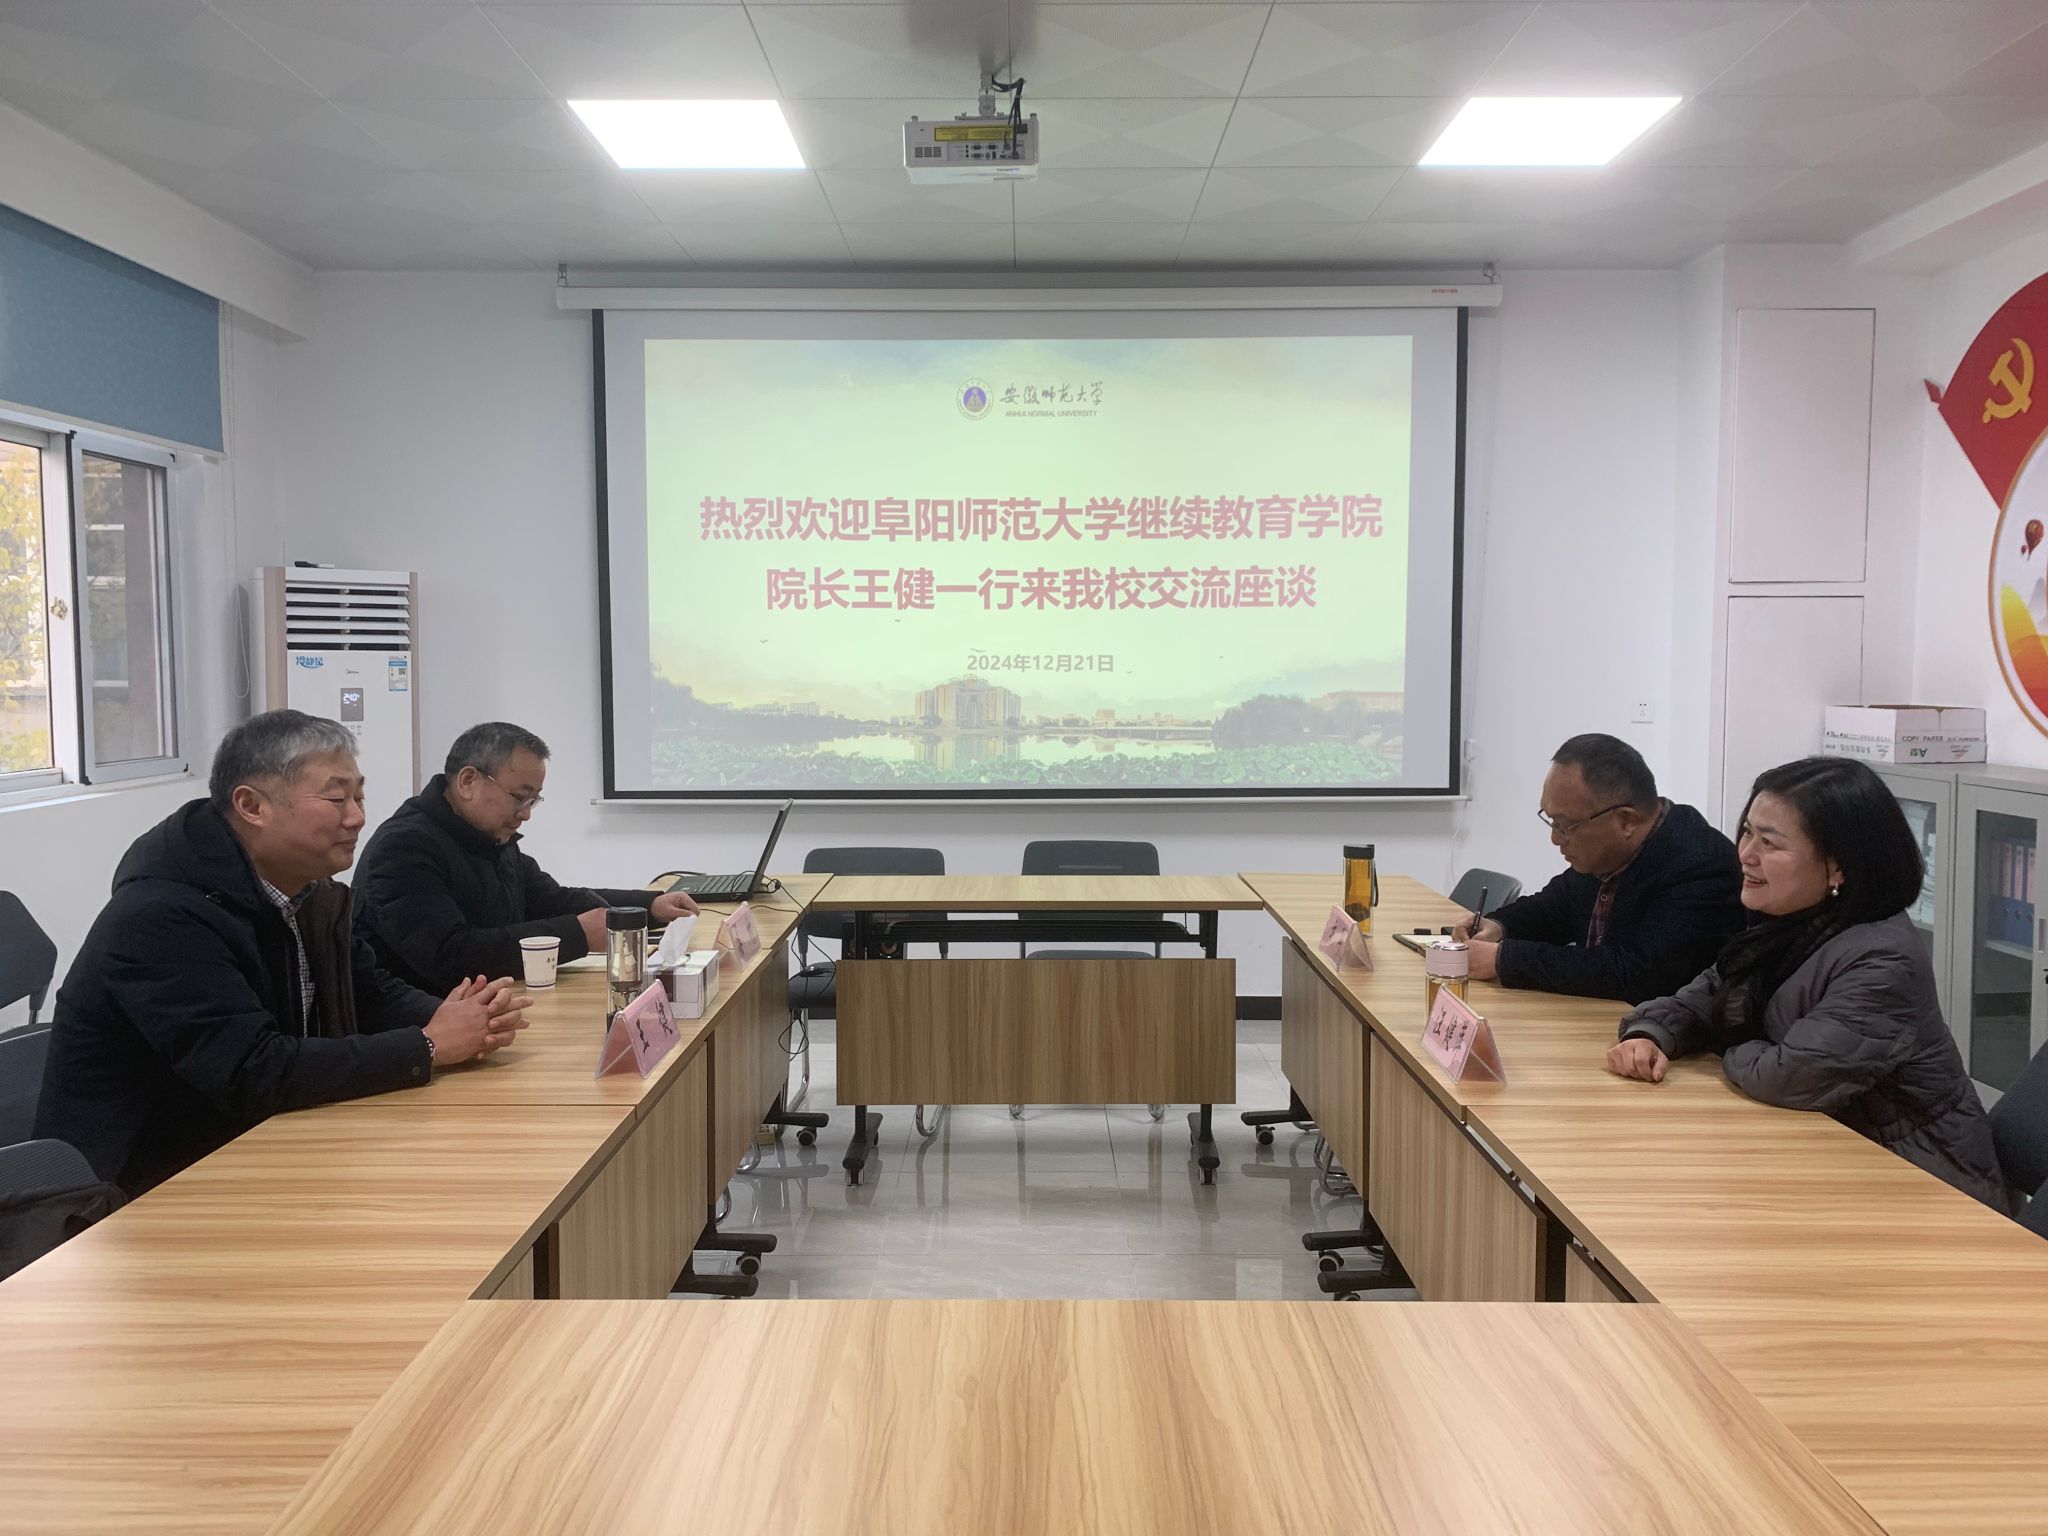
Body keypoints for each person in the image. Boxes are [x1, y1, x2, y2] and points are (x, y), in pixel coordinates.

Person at [35, 711, 531, 1198]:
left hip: (263, 1149)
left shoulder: (306, 891)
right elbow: (254, 1071)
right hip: (144, 1193)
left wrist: (458, 1019)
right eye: (336, 798)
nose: (357, 817)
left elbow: (369, 990)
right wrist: (427, 1045)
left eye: (359, 796)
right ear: (251, 805)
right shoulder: (161, 917)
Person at [1607, 756, 2011, 1213]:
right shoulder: (1784, 926)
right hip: (1828, 1162)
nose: (1746, 854)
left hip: (1923, 1192)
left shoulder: (1883, 958)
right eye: (1747, 833)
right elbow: (1698, 1000)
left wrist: (1728, 1045)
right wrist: (1649, 1036)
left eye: (1770, 843)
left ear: (1838, 866)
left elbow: (1788, 1078)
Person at [353, 722, 698, 996]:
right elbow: (452, 957)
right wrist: (577, 934)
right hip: (427, 1028)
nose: (526, 814)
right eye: (520, 797)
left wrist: (649, 907)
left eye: (533, 801)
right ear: (468, 781)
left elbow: (554, 900)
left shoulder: (488, 838)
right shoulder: (404, 848)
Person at [1453, 733, 1744, 1003]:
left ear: (1626, 821)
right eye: (1551, 820)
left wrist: (1503, 960)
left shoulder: (1701, 866)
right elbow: (1550, 910)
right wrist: (1499, 926)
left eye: (1566, 825)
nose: (1555, 838)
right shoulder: (1606, 856)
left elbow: (1637, 973)